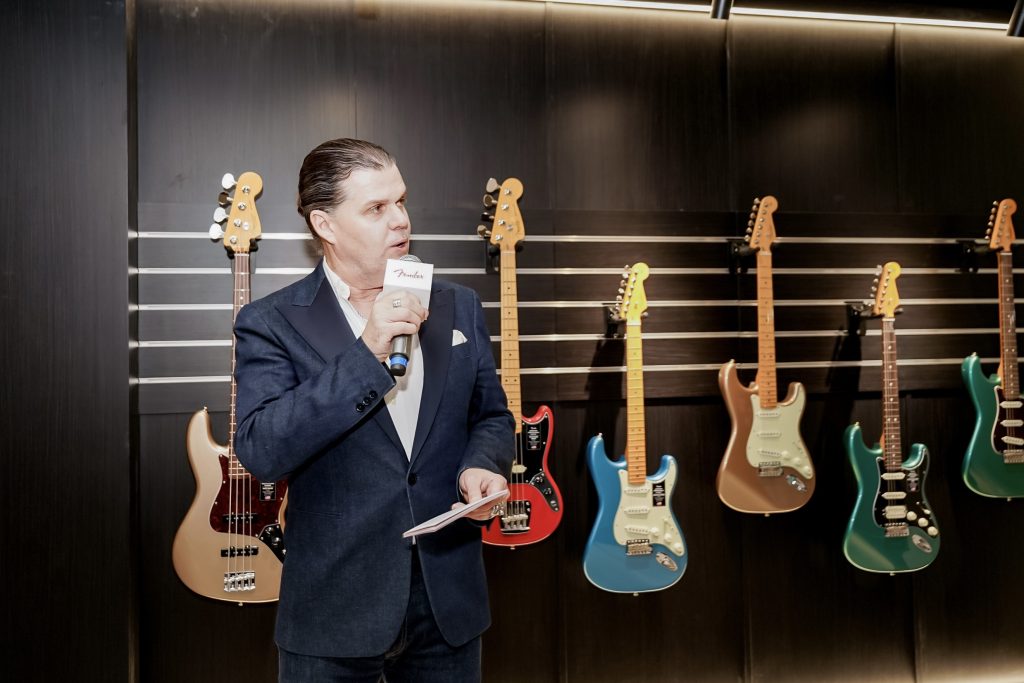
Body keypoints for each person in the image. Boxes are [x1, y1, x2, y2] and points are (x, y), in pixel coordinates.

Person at [233, 137, 514, 682]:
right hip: (334, 613)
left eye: (401, 201)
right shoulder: (271, 322)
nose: (400, 220)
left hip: (447, 604)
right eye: (376, 208)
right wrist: (367, 354)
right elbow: (262, 449)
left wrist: (482, 465)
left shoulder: (458, 304)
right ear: (326, 225)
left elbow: (491, 416)